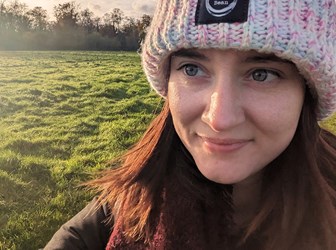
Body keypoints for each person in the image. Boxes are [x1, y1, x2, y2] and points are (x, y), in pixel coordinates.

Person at [45, 0, 336, 249]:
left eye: (261, 74)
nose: (219, 119)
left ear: (308, 92)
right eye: (192, 69)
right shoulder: (136, 193)